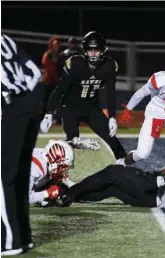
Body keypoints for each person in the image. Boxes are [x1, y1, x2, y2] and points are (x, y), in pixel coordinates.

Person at [39, 31, 127, 164]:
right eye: (89, 50)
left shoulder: (109, 66)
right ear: (84, 50)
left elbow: (110, 93)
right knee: (72, 142)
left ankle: (124, 165)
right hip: (70, 107)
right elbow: (60, 90)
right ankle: (53, 162)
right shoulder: (75, 64)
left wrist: (112, 117)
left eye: (96, 50)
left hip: (92, 107)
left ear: (103, 50)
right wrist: (48, 113)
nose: (93, 54)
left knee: (112, 139)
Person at [1, 34, 42, 256]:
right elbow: (36, 74)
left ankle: (8, 242)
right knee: (18, 175)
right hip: (30, 104)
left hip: (9, 105)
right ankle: (22, 237)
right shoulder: (5, 39)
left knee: (3, 177)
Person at [29, 139, 76, 207]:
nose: (63, 170)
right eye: (62, 166)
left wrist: (72, 143)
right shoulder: (35, 170)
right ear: (53, 159)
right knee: (47, 200)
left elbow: (53, 145)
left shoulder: (42, 154)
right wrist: (47, 193)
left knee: (59, 188)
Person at [40, 36, 61, 122]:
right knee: (45, 101)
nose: (56, 47)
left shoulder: (59, 56)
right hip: (48, 81)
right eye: (54, 45)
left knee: (58, 101)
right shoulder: (48, 55)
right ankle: (42, 118)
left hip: (56, 82)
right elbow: (46, 65)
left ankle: (58, 119)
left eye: (57, 45)